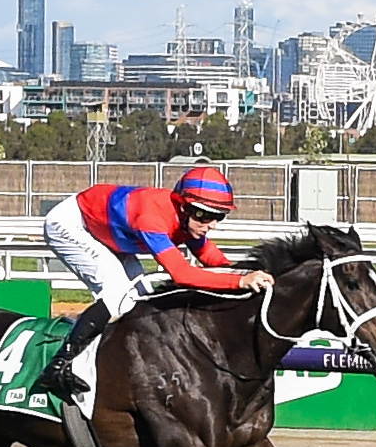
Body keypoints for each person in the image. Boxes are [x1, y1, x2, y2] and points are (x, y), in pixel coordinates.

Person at [38, 165, 259, 395]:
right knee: (117, 296)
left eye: (218, 217)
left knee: (141, 302)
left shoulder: (187, 219)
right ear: (183, 207)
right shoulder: (153, 219)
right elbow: (182, 274)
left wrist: (244, 272)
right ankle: (58, 366)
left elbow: (209, 256)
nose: (212, 224)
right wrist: (240, 282)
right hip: (71, 225)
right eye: (206, 215)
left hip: (108, 232)